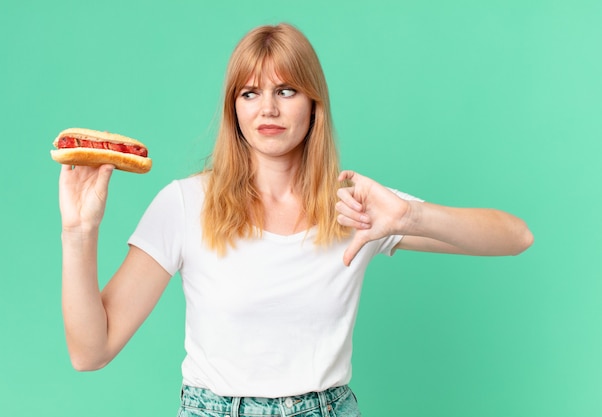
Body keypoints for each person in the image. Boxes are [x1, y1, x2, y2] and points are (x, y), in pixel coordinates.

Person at [58, 23, 533, 417]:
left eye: (286, 90)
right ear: (234, 109)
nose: (267, 108)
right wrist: (79, 233)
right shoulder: (185, 204)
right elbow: (90, 352)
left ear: (313, 105)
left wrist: (410, 214)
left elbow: (516, 237)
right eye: (250, 93)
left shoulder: (358, 206)